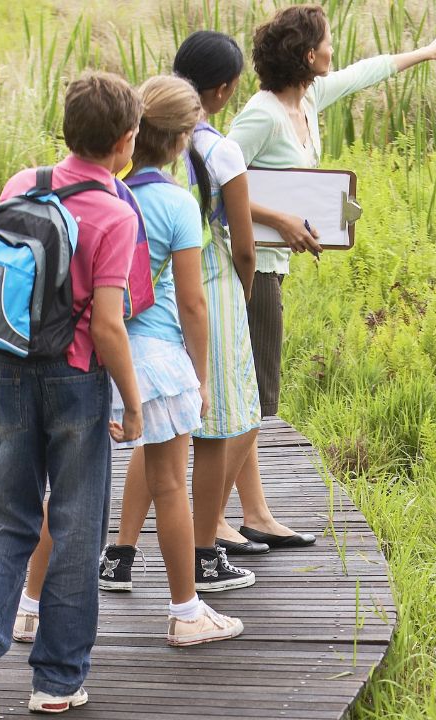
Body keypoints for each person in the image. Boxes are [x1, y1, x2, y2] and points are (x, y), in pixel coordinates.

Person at [219, 4, 436, 553]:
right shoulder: (262, 114)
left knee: (251, 391)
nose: (335, 50)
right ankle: (210, 520)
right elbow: (219, 184)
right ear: (308, 55)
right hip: (250, 269)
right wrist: (281, 219)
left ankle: (256, 514)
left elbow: (366, 72)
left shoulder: (307, 100)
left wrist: (428, 53)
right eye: (328, 42)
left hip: (272, 266)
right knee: (258, 396)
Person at [0, 70, 145, 719]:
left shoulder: (21, 184)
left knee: (7, 517)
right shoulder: (115, 212)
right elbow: (109, 323)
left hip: (10, 367)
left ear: (66, 128)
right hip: (77, 380)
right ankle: (56, 681)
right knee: (78, 528)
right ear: (125, 142)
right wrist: (133, 404)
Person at [16, 74, 247, 645]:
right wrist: (201, 374)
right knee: (171, 485)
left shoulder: (101, 190)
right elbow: (193, 303)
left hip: (90, 355)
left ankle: (27, 606)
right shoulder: (174, 203)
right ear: (181, 140)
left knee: (64, 492)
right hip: (158, 360)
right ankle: (186, 613)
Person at [100, 31, 262, 594]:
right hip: (185, 321)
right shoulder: (184, 190)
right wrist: (205, 365)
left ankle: (114, 556)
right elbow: (218, 273)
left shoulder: (111, 192)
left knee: (147, 447)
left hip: (111, 336)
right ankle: (200, 563)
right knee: (219, 427)